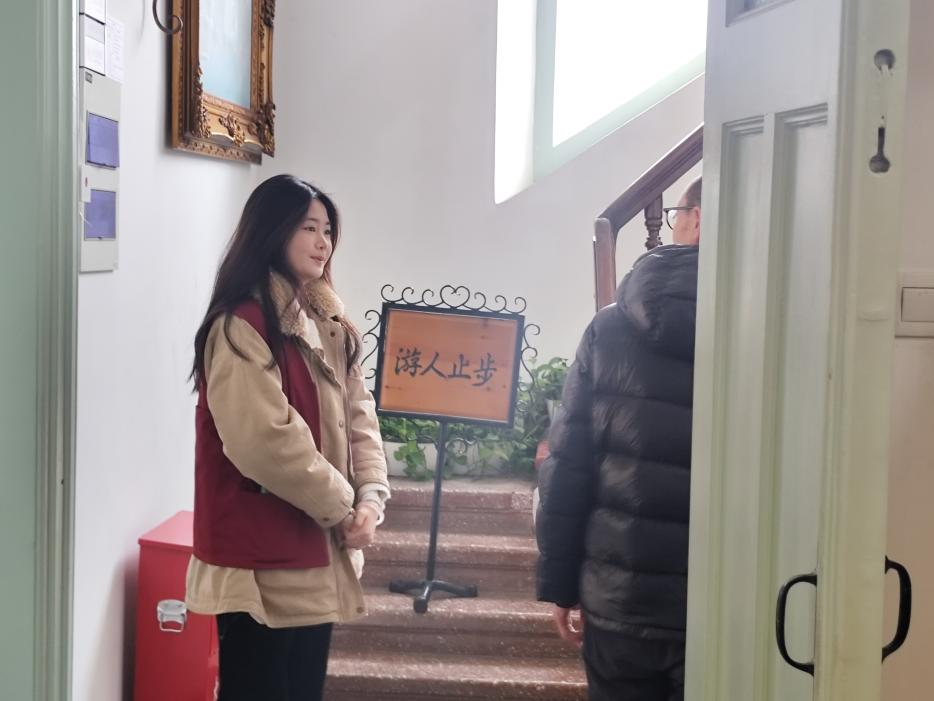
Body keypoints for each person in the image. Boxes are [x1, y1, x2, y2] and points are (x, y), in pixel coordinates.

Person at [186, 174, 390, 701]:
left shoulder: (328, 321)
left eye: (328, 231)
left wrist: (371, 496)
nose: (324, 243)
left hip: (315, 551)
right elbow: (265, 441)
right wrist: (343, 506)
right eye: (308, 228)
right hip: (259, 562)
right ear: (273, 231)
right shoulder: (241, 324)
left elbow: (358, 413)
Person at [536, 177, 701, 701]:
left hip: (620, 600)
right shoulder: (769, 325)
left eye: (677, 213)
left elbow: (568, 467)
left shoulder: (608, 330)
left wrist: (561, 585)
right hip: (724, 602)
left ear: (696, 218)